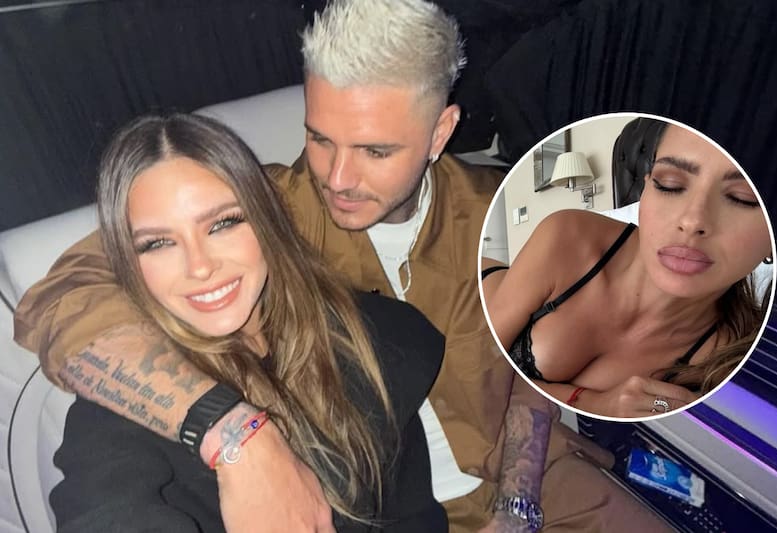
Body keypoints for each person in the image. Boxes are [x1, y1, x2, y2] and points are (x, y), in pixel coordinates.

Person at [15, 0, 675, 531]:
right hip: (361, 499)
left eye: (375, 151)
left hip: (523, 480)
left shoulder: (508, 216)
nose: (337, 178)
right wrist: (231, 432)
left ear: (441, 132)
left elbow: (537, 354)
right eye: (319, 138)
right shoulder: (255, 215)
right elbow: (60, 299)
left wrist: (518, 500)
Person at [49, 112, 447, 532]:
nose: (200, 266)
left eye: (222, 224)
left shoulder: (364, 339)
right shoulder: (127, 404)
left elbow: (411, 516)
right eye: (158, 243)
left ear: (264, 219)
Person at [483, 120, 773, 418]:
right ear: (646, 190)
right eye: (669, 185)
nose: (692, 221)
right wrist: (591, 402)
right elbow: (479, 367)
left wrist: (661, 408)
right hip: (471, 287)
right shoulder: (568, 233)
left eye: (743, 198)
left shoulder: (729, 359)